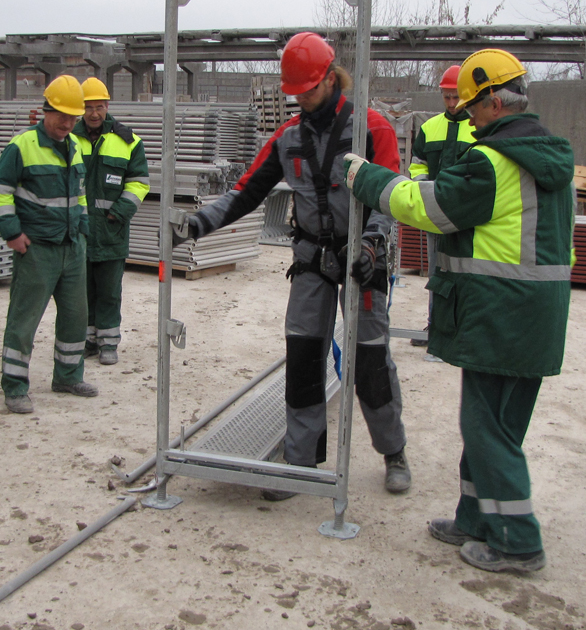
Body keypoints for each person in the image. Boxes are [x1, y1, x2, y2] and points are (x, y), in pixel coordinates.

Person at [342, 48, 575, 572]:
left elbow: (427, 208)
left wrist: (367, 179)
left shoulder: (493, 161)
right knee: (496, 426)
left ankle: (518, 542)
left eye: (471, 107)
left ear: (495, 102)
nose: (466, 117)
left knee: (486, 428)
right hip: (536, 313)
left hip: (502, 312)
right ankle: (475, 518)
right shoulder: (551, 157)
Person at [172, 32, 410, 499]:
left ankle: (393, 451)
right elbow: (246, 193)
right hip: (312, 261)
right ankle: (300, 463)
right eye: (294, 92)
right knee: (303, 360)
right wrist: (198, 223)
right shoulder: (288, 139)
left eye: (308, 90)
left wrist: (373, 247)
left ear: (329, 78)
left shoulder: (371, 129)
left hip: (363, 262)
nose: (300, 99)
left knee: (370, 364)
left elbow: (391, 195)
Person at [0, 75, 97, 414]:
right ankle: (15, 386)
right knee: (24, 320)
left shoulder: (75, 146)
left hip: (71, 246)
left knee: (75, 317)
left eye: (73, 117)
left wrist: (82, 227)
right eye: (61, 115)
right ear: (45, 111)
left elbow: (79, 192)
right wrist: (12, 234)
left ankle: (67, 375)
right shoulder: (21, 146)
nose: (67, 123)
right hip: (36, 249)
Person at [72, 77, 150, 366]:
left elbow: (140, 182)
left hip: (111, 229)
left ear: (108, 106)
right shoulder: (69, 138)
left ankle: (108, 342)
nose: (94, 113)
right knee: (81, 290)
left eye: (100, 106)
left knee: (108, 290)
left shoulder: (127, 140)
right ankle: (87, 340)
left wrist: (118, 213)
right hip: (79, 229)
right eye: (89, 107)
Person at [407, 65, 476, 348]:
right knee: (437, 273)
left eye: (456, 97)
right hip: (435, 213)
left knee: (467, 272)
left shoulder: (478, 129)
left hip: (467, 217)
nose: (451, 103)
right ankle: (436, 324)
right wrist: (425, 193)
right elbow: (417, 166)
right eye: (447, 97)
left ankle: (463, 329)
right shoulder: (428, 128)